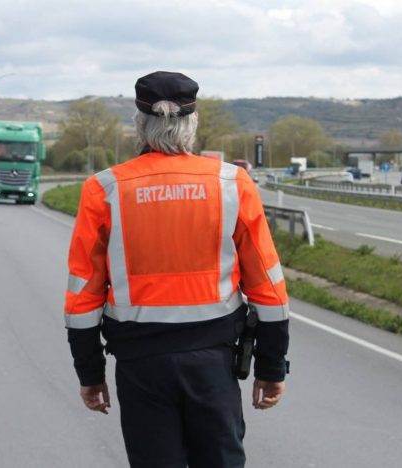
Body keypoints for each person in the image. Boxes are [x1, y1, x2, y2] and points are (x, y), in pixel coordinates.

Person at [64, 71, 290, 467]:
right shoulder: (231, 184)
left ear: (139, 123)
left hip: (140, 367)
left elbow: (82, 297)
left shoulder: (104, 189)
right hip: (213, 365)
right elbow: (268, 287)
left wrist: (90, 373)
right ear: (192, 123)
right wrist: (271, 368)